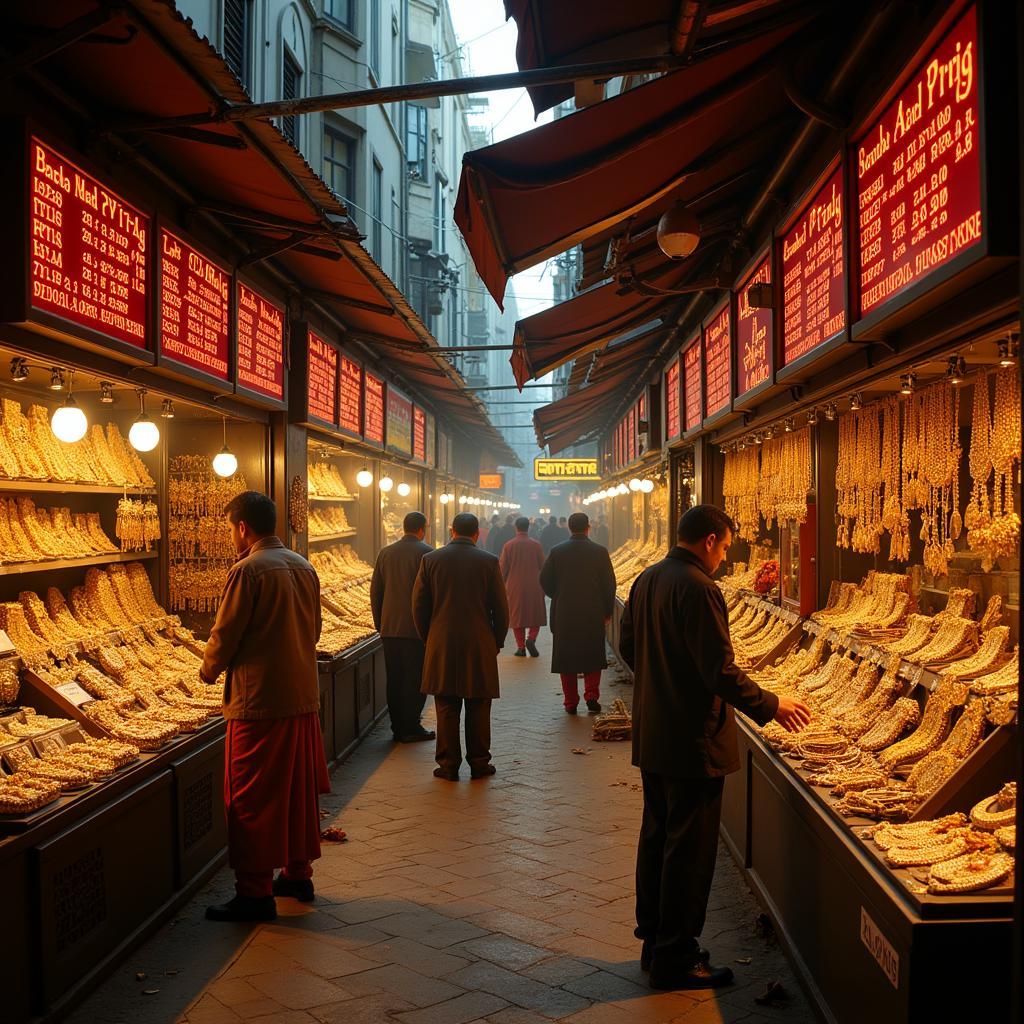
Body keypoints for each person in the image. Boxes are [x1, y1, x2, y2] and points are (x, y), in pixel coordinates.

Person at [619, 504, 811, 991]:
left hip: (656, 734)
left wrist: (660, 685)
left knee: (658, 837)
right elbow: (718, 671)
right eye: (725, 547)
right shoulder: (701, 589)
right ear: (708, 541)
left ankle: (656, 941)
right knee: (689, 850)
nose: (725, 557)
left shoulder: (647, 580)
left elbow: (628, 645)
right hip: (692, 741)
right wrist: (772, 704)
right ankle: (678, 957)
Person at [201, 491, 329, 922]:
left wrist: (208, 670)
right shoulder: (303, 565)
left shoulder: (248, 570)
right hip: (302, 698)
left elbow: (226, 633)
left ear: (242, 527)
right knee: (295, 790)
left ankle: (254, 893)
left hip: (259, 702)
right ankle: (297, 873)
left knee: (250, 794)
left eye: (230, 529)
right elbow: (314, 630)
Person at [413, 512, 510, 780]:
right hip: (479, 643)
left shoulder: (430, 560)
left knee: (445, 705)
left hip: (441, 641)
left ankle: (448, 765)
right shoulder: (488, 562)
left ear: (452, 531)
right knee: (478, 704)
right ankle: (479, 763)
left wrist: (429, 637)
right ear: (477, 533)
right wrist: (497, 641)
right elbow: (501, 609)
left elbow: (419, 605)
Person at [539, 512, 616, 714]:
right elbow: (610, 585)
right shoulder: (600, 552)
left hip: (565, 611)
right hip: (592, 610)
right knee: (592, 654)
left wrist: (558, 594)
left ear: (569, 528)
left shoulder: (557, 551)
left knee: (567, 657)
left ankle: (570, 702)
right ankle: (591, 695)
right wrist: (607, 610)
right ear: (588, 527)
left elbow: (544, 580)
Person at [370, 511, 435, 743]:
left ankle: (397, 725)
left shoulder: (385, 553)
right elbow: (431, 595)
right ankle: (411, 725)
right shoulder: (428, 554)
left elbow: (376, 591)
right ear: (422, 529)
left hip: (390, 629)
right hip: (417, 630)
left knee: (395, 677)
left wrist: (381, 623)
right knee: (416, 679)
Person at [499, 516, 546, 657]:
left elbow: (503, 569)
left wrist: (501, 585)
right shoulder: (536, 545)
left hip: (514, 586)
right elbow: (543, 566)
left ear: (516, 528)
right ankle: (531, 638)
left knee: (516, 616)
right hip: (534, 584)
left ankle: (521, 647)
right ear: (529, 527)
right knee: (534, 614)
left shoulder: (509, 545)